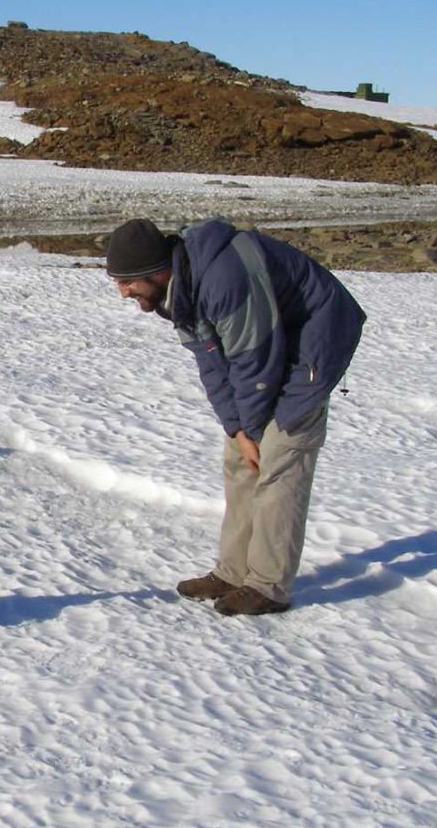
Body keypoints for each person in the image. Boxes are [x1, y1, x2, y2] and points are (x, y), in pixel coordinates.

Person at [107, 217, 366, 615]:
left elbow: (254, 361)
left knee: (280, 458)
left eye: (127, 283)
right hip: (268, 348)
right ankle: (233, 571)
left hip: (311, 343)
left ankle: (268, 585)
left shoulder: (224, 278)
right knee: (239, 458)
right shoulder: (180, 291)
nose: (123, 293)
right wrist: (236, 428)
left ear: (154, 271)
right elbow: (212, 365)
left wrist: (252, 428)